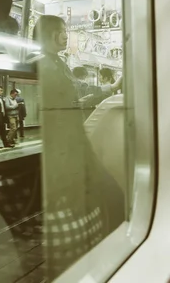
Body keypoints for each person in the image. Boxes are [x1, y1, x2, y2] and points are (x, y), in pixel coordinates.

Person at [33, 15, 123, 279]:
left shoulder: (55, 63)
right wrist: (111, 87)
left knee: (105, 194)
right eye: (62, 32)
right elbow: (78, 92)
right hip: (66, 145)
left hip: (71, 143)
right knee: (109, 195)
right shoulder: (47, 66)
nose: (66, 36)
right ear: (51, 35)